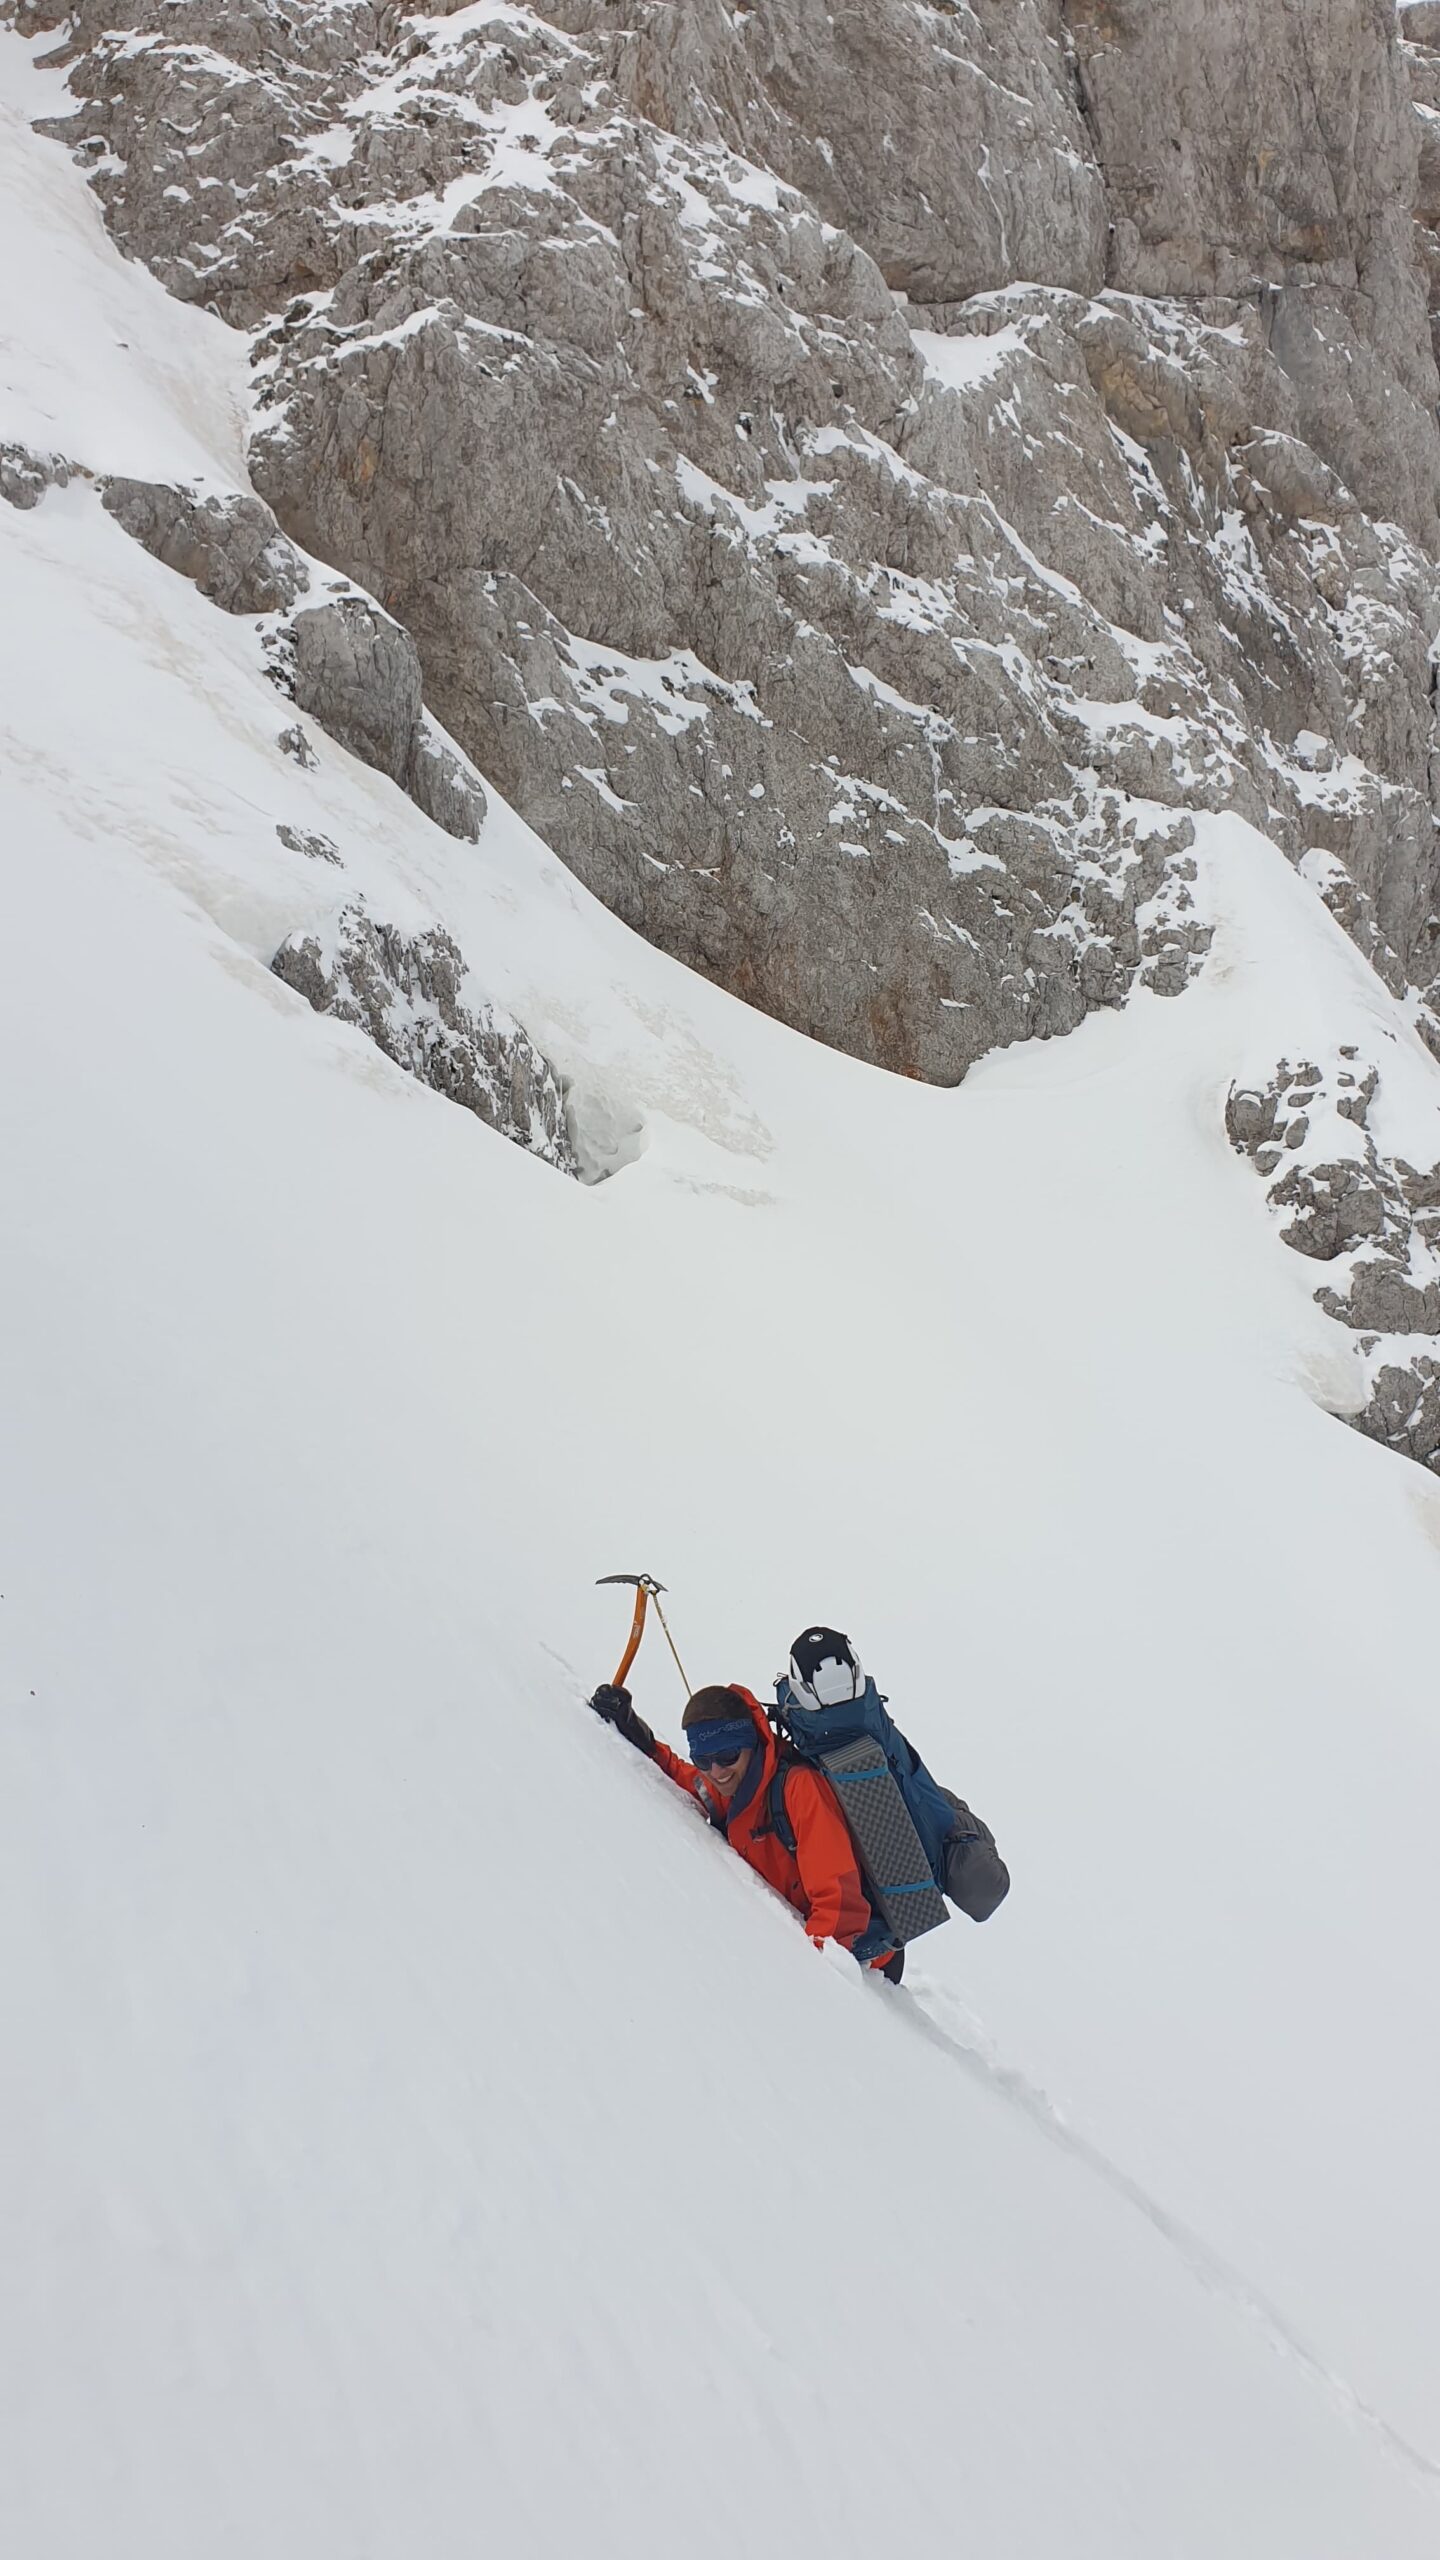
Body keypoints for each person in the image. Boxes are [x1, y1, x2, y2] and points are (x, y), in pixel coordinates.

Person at [588, 1676, 901, 1973]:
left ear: (751, 1744)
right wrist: (641, 1738)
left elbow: (839, 1902)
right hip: (815, 1941)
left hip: (866, 1961)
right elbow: (687, 1781)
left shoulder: (798, 1789)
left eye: (728, 1755)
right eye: (704, 1760)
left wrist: (809, 1979)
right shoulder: (733, 1788)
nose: (717, 1771)